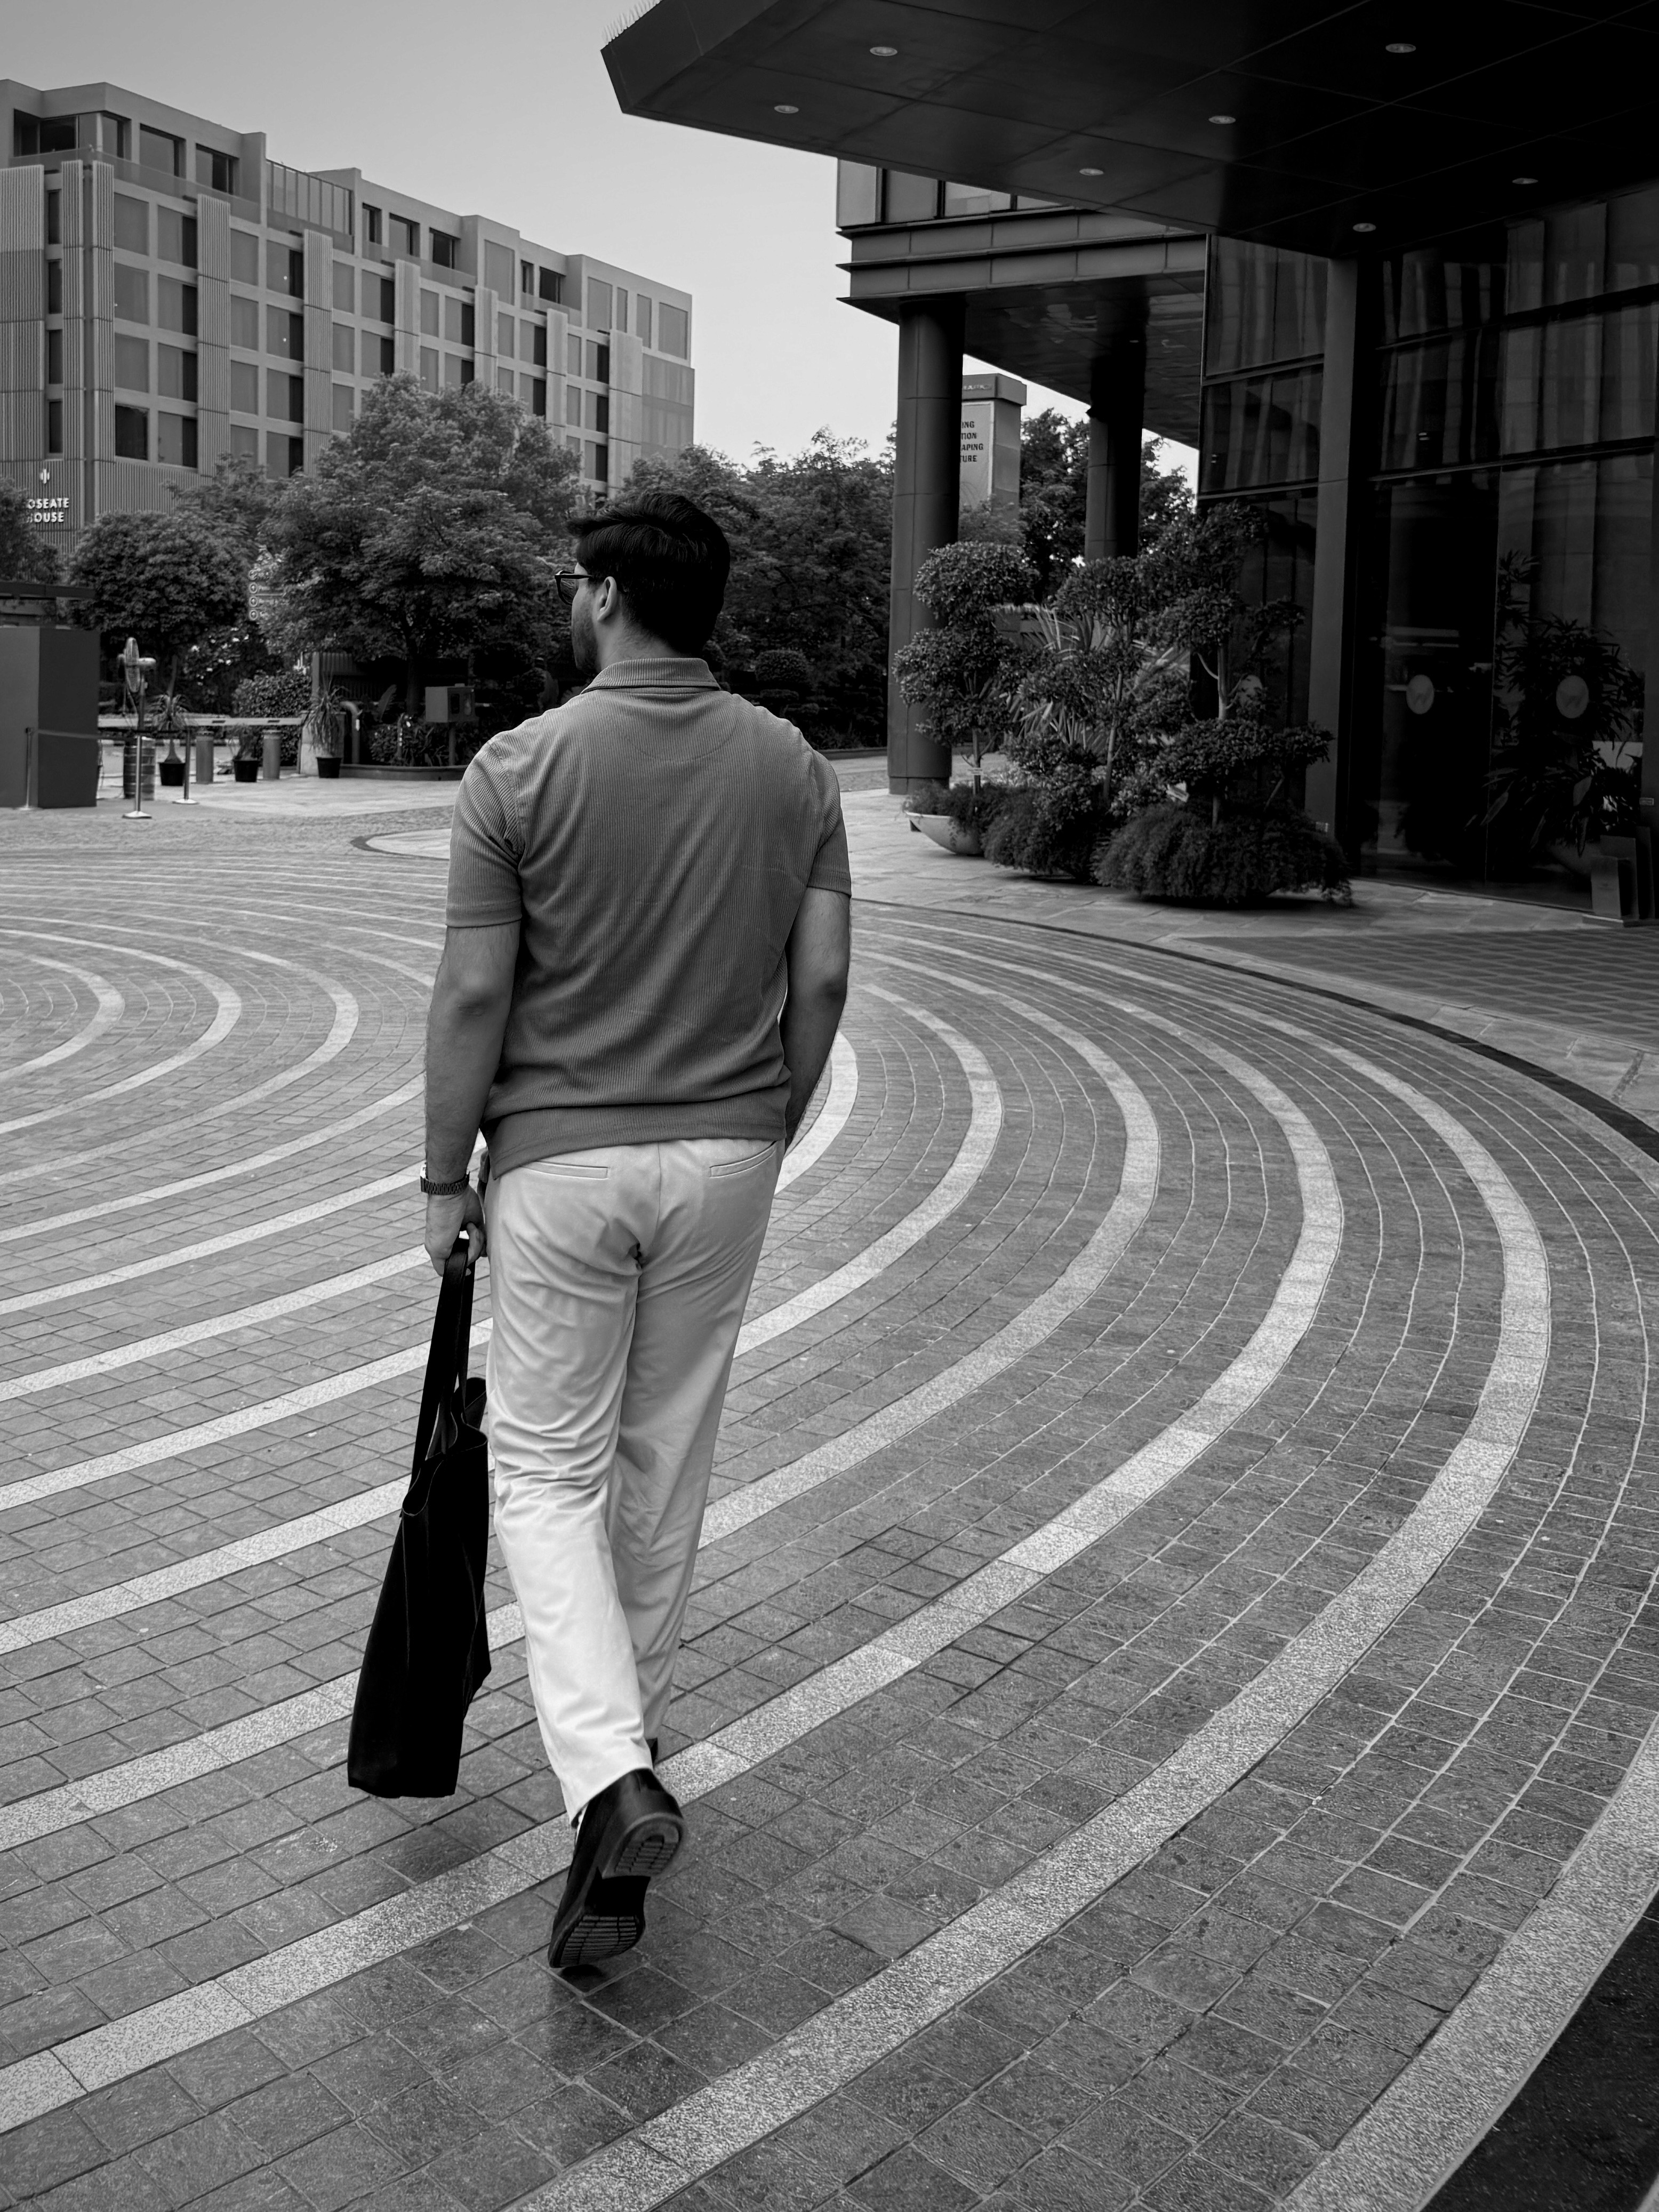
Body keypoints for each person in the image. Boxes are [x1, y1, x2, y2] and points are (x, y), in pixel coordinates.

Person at [420, 493, 852, 1970]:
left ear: (606, 594)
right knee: (664, 1459)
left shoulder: (518, 767)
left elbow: (477, 993)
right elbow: (829, 972)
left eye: (570, 580)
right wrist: (769, 1122)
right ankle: (627, 1762)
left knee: (543, 1470)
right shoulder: (793, 765)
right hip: (728, 1151)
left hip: (557, 1162)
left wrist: (439, 1173)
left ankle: (610, 1775)